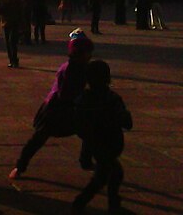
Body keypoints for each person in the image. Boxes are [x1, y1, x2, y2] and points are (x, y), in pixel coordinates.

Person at [9, 29, 94, 180]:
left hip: (66, 107)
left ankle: (86, 160)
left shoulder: (80, 67)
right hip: (57, 108)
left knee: (88, 131)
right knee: (39, 139)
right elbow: (65, 93)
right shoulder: (72, 69)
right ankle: (20, 166)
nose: (89, 55)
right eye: (87, 52)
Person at [72, 60, 133, 214]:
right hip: (110, 142)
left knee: (108, 173)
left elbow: (79, 125)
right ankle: (86, 202)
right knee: (107, 175)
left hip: (94, 143)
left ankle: (106, 202)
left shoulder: (83, 99)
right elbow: (126, 121)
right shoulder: (111, 99)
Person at [0, 0, 24, 68]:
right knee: (8, 43)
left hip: (14, 22)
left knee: (12, 41)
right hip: (5, 22)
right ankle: (11, 60)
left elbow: (20, 10)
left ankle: (15, 60)